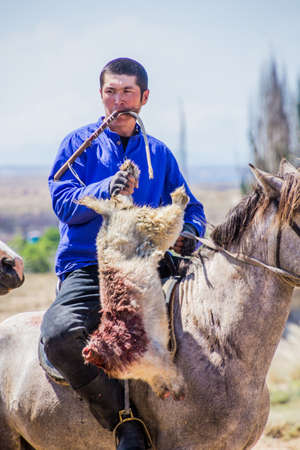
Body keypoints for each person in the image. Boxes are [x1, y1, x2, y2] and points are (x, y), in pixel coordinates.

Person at [41, 57, 206, 450]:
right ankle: (123, 422)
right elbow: (63, 203)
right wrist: (106, 188)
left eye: (127, 92)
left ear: (144, 97)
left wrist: (188, 233)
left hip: (151, 265)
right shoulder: (76, 145)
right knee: (59, 335)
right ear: (101, 96)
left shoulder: (160, 154)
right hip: (90, 267)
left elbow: (193, 209)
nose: (118, 101)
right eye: (110, 92)